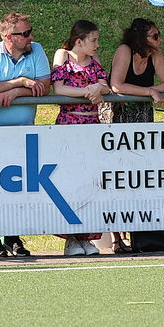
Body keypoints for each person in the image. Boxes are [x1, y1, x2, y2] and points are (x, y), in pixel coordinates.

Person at [0, 12, 51, 258]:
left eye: (30, 31)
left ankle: (13, 237)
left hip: (24, 130)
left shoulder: (36, 50)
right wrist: (21, 81)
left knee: (20, 185)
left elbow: (44, 87)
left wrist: (16, 92)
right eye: (25, 33)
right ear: (9, 37)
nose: (31, 37)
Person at [107, 18, 164, 253]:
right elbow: (117, 85)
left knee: (141, 173)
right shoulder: (124, 50)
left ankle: (140, 230)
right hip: (118, 117)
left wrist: (148, 92)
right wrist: (148, 91)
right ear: (140, 38)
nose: (160, 40)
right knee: (118, 174)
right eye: (154, 36)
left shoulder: (154, 54)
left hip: (143, 117)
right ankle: (117, 237)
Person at [50, 20, 109, 256]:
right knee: (69, 181)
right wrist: (88, 91)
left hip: (92, 125)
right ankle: (70, 238)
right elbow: (59, 89)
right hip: (69, 125)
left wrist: (99, 88)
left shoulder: (94, 61)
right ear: (79, 41)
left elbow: (106, 86)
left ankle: (87, 237)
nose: (97, 44)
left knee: (89, 182)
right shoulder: (63, 57)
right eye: (93, 40)